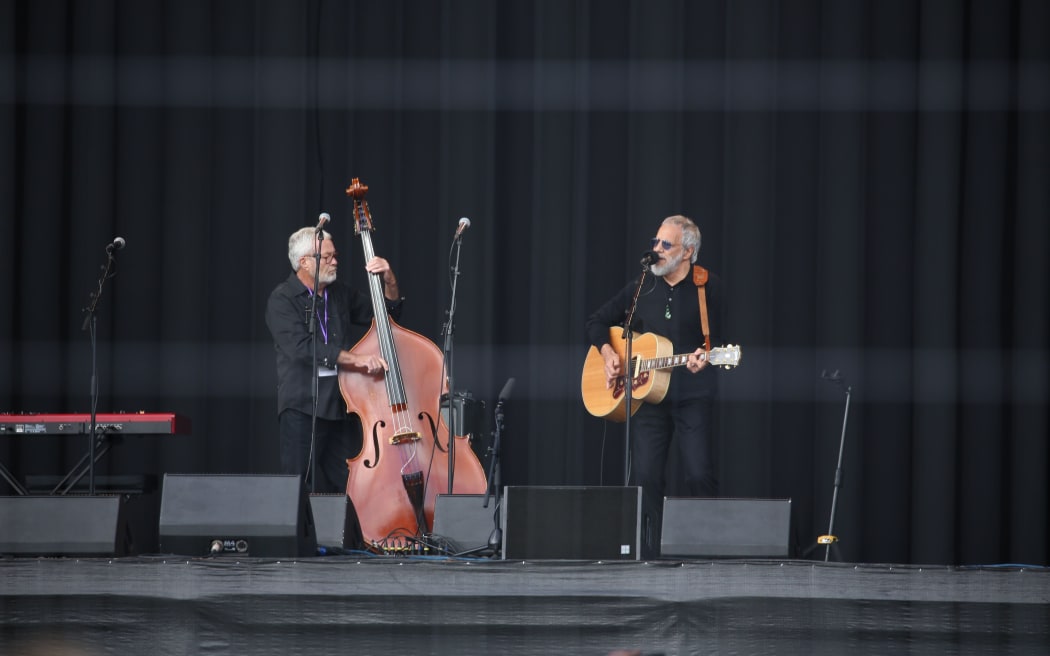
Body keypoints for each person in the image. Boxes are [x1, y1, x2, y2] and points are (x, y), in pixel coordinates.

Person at [585, 214, 723, 536]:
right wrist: (608, 354)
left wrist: (708, 354)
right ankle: (649, 550)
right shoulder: (642, 286)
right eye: (655, 242)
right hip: (648, 396)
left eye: (666, 244)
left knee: (698, 473)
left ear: (687, 252)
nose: (657, 249)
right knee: (645, 476)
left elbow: (725, 338)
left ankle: (709, 546)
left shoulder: (708, 286)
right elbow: (597, 321)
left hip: (693, 394)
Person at [265, 225, 403, 492]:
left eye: (334, 255)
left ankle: (353, 534)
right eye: (326, 257)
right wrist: (357, 360)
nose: (335, 261)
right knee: (297, 489)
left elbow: (388, 319)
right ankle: (299, 535)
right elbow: (301, 348)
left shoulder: (339, 293)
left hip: (342, 405)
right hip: (303, 407)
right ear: (304, 262)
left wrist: (389, 281)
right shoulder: (282, 299)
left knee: (352, 486)